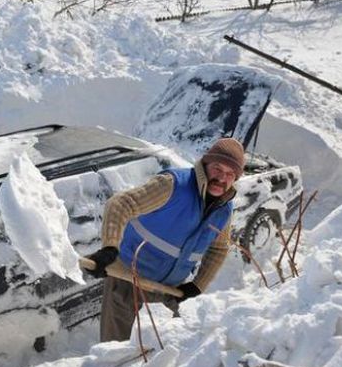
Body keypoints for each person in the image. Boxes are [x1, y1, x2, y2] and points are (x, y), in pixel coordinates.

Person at [84, 137, 245, 342]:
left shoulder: (224, 209)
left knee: (181, 343)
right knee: (113, 348)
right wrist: (109, 248)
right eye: (217, 168)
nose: (222, 178)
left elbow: (219, 248)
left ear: (235, 179)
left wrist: (197, 285)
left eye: (230, 174)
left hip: (171, 288)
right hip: (128, 273)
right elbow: (121, 204)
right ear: (205, 165)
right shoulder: (173, 186)